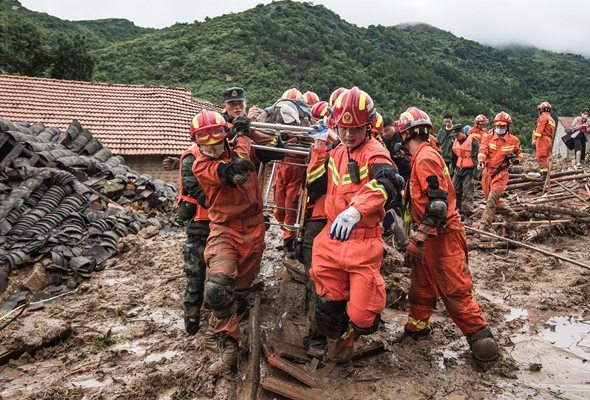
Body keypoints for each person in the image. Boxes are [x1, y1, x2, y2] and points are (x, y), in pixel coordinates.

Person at [306, 87, 404, 363]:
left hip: (362, 240)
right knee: (328, 314)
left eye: (356, 128)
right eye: (344, 128)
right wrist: (319, 148)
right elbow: (315, 186)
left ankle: (356, 327)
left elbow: (390, 181)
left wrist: (357, 211)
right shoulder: (336, 153)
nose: (349, 134)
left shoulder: (375, 151)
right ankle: (339, 360)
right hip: (332, 238)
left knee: (363, 316)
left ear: (368, 125)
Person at [398, 107, 500, 362]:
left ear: (404, 135)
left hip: (441, 235)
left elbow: (438, 204)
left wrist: (419, 238)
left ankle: (483, 344)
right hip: (430, 234)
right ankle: (417, 329)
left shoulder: (424, 159)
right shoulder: (425, 154)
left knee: (455, 292)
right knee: (421, 286)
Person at [192, 109, 265, 376]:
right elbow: (234, 173)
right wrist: (242, 137)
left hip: (255, 228)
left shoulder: (238, 147)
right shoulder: (201, 165)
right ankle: (229, 344)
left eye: (215, 143)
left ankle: (236, 314)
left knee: (240, 291)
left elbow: (263, 148)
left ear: (225, 136)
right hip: (225, 228)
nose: (210, 149)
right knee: (217, 288)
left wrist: (248, 132)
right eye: (204, 145)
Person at [176, 138, 210, 336]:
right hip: (199, 222)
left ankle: (218, 313)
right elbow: (197, 190)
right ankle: (192, 314)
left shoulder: (227, 152)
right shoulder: (192, 157)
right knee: (195, 272)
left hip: (221, 223)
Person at [477, 111, 522, 232]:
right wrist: (481, 160)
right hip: (487, 172)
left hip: (501, 174)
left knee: (492, 200)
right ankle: (511, 214)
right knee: (491, 201)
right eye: (498, 126)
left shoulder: (513, 140)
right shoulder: (488, 137)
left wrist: (516, 160)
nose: (499, 128)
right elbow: (482, 150)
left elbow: (519, 154)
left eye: (502, 126)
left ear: (507, 126)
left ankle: (485, 226)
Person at [451, 124, 479, 215]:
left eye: (457, 135)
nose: (456, 137)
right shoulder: (455, 141)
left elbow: (477, 159)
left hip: (470, 170)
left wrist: (476, 176)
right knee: (454, 190)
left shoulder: (473, 142)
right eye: (455, 135)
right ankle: (461, 208)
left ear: (463, 132)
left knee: (467, 192)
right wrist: (453, 171)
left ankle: (469, 214)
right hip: (458, 169)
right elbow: (454, 157)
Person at [532, 102, 556, 180]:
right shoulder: (552, 119)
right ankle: (543, 173)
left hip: (543, 139)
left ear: (541, 110)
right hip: (549, 139)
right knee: (544, 157)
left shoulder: (543, 117)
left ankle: (544, 175)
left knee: (541, 157)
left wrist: (535, 139)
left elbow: (539, 129)